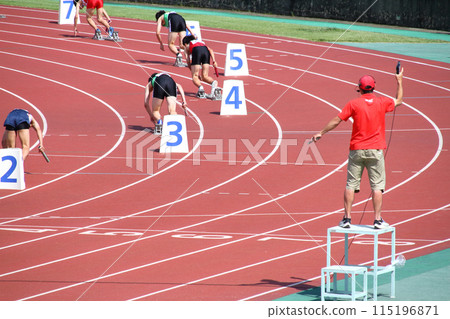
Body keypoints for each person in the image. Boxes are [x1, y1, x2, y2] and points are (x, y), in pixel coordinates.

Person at [311, 69, 404, 229]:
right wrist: (399, 80)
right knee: (377, 186)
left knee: (350, 185)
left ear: (359, 88)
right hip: (375, 150)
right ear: (373, 88)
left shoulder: (353, 104)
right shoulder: (382, 102)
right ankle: (377, 220)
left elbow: (337, 120)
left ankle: (347, 219)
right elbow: (399, 100)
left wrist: (321, 132)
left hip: (357, 149)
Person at [182, 35, 219, 99]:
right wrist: (214, 61)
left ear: (185, 44)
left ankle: (201, 88)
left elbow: (188, 60)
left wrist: (193, 72)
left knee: (194, 77)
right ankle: (213, 82)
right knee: (205, 76)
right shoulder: (201, 42)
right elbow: (210, 50)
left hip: (197, 51)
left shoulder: (187, 47)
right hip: (205, 51)